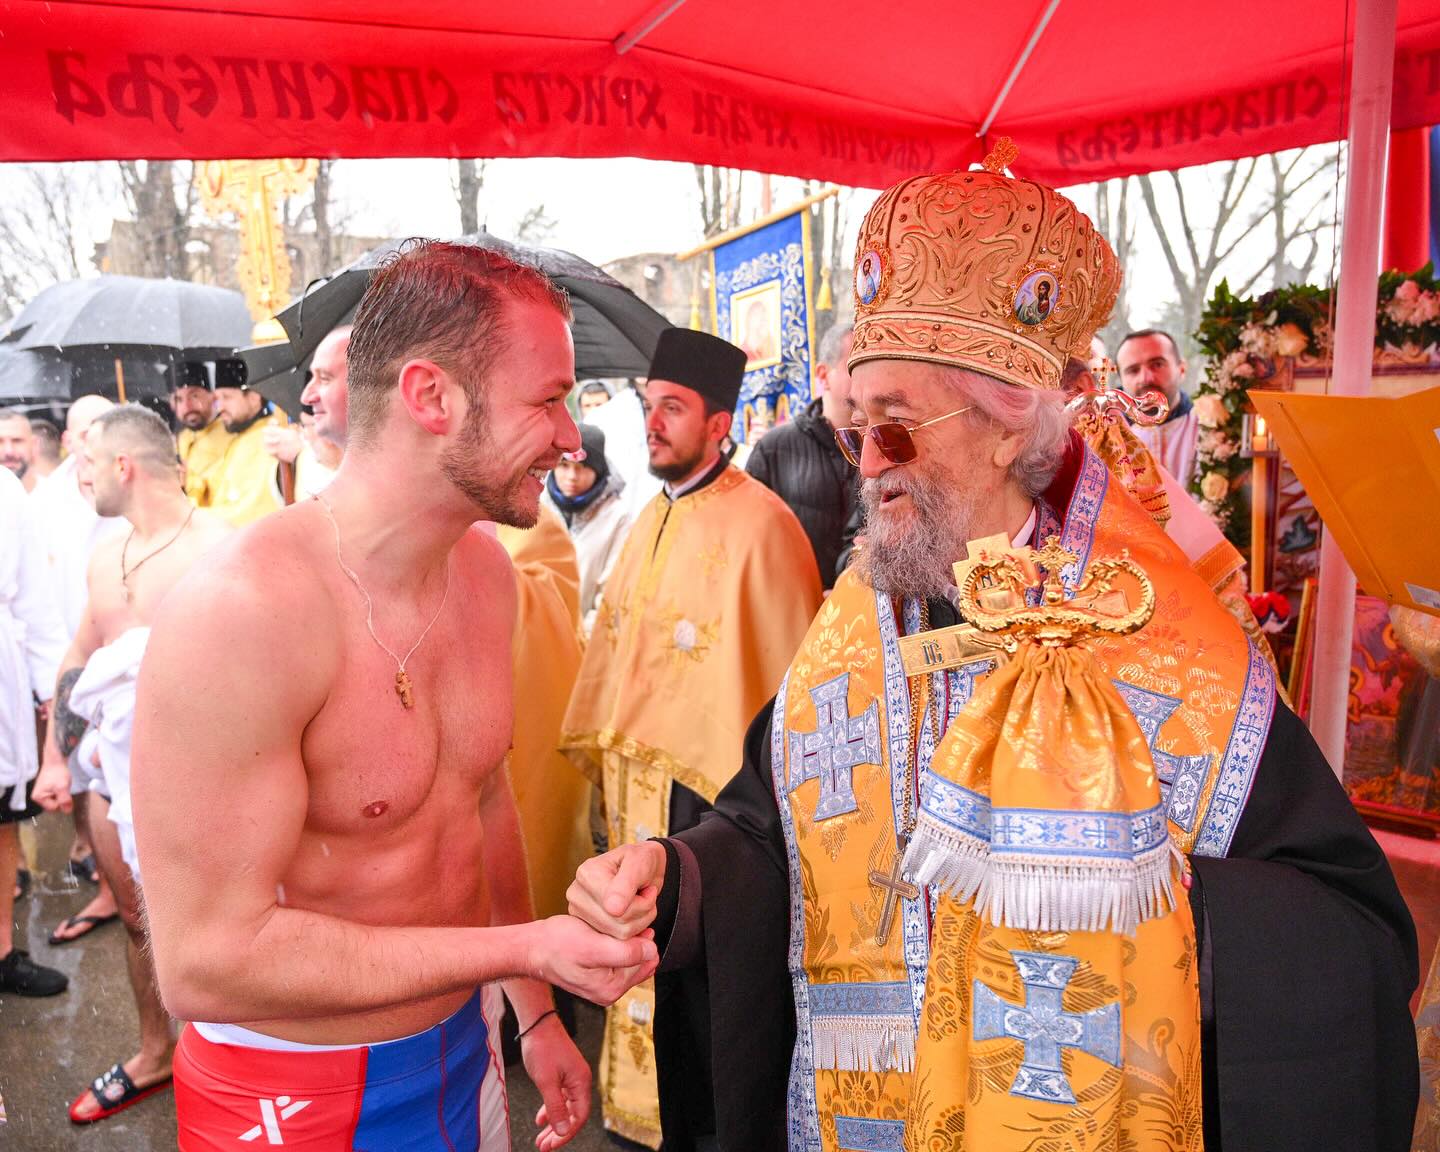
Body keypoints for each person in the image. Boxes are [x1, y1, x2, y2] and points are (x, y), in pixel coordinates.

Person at [569, 158, 1418, 1152]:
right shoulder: (857, 621)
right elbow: (767, 833)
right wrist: (679, 879)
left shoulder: (1160, 639)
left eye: (893, 426)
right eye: (854, 429)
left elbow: (1352, 936)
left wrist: (1144, 904)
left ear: (1010, 422)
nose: (867, 461)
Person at [131, 242, 657, 1152]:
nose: (572, 436)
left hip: (465, 1048)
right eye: (546, 399)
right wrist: (524, 950)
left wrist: (531, 1017)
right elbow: (203, 962)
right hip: (295, 1092)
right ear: (431, 397)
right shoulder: (241, 617)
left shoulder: (487, 572)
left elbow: (481, 798)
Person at [560, 326, 822, 1149]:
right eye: (649, 407)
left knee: (698, 986)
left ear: (720, 422)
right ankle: (636, 1115)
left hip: (712, 795)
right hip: (637, 779)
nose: (654, 423)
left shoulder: (765, 526)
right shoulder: (647, 518)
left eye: (673, 407)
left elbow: (790, 685)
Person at [31, 405, 232, 1123]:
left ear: (124, 465)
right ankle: (155, 1053)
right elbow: (82, 654)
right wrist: (57, 758)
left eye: (88, 463)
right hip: (113, 778)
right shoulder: (106, 553)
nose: (77, 476)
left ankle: (234, 1058)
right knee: (141, 925)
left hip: (206, 784)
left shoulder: (219, 549)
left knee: (217, 925)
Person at [26, 393, 125, 931]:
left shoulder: (121, 484)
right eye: (83, 431)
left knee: (116, 775)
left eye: (102, 429)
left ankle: (122, 887)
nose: (91, 441)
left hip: (120, 656)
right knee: (80, 770)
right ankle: (109, 883)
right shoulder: (43, 500)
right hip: (70, 651)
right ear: (67, 438)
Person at [0, 465, 67, 996]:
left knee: (2, 820)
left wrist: (51, 691)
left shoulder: (4, 488)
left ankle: (1, 951)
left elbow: (36, 603)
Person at [746, 322, 858, 589]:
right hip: (795, 612)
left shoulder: (888, 445)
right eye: (854, 365)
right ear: (823, 375)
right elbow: (749, 543)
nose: (867, 375)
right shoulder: (774, 449)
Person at [544, 422, 632, 635]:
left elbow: (612, 594)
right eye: (564, 466)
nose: (572, 477)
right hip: (538, 640)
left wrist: (580, 642)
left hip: (587, 644)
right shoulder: (537, 509)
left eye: (582, 468)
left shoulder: (618, 518)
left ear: (598, 471)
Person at [204, 362, 288, 525]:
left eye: (226, 397)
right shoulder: (242, 438)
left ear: (254, 397)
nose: (219, 408)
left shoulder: (268, 436)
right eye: (217, 400)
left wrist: (202, 523)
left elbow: (253, 509)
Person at [1117, 328, 1200, 487]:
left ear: (1181, 369)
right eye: (1133, 370)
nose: (1146, 378)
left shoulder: (1208, 429)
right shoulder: (1109, 439)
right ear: (1121, 378)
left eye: (1157, 364)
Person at [171, 363, 234, 508]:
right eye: (179, 399)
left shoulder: (230, 433)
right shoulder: (181, 438)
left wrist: (187, 481)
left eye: (194, 395)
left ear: (212, 396)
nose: (187, 407)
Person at [0, 407, 38, 492]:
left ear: (34, 445)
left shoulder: (58, 497)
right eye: (0, 442)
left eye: (17, 441)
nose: (9, 451)